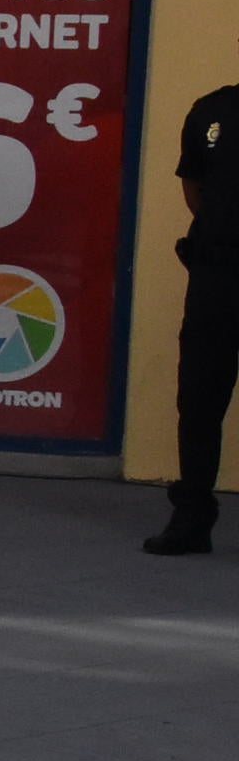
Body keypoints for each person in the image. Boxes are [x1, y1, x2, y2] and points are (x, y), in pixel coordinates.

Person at [148, 54, 236, 555]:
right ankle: (192, 517)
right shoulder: (212, 111)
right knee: (199, 397)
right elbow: (194, 187)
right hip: (217, 275)